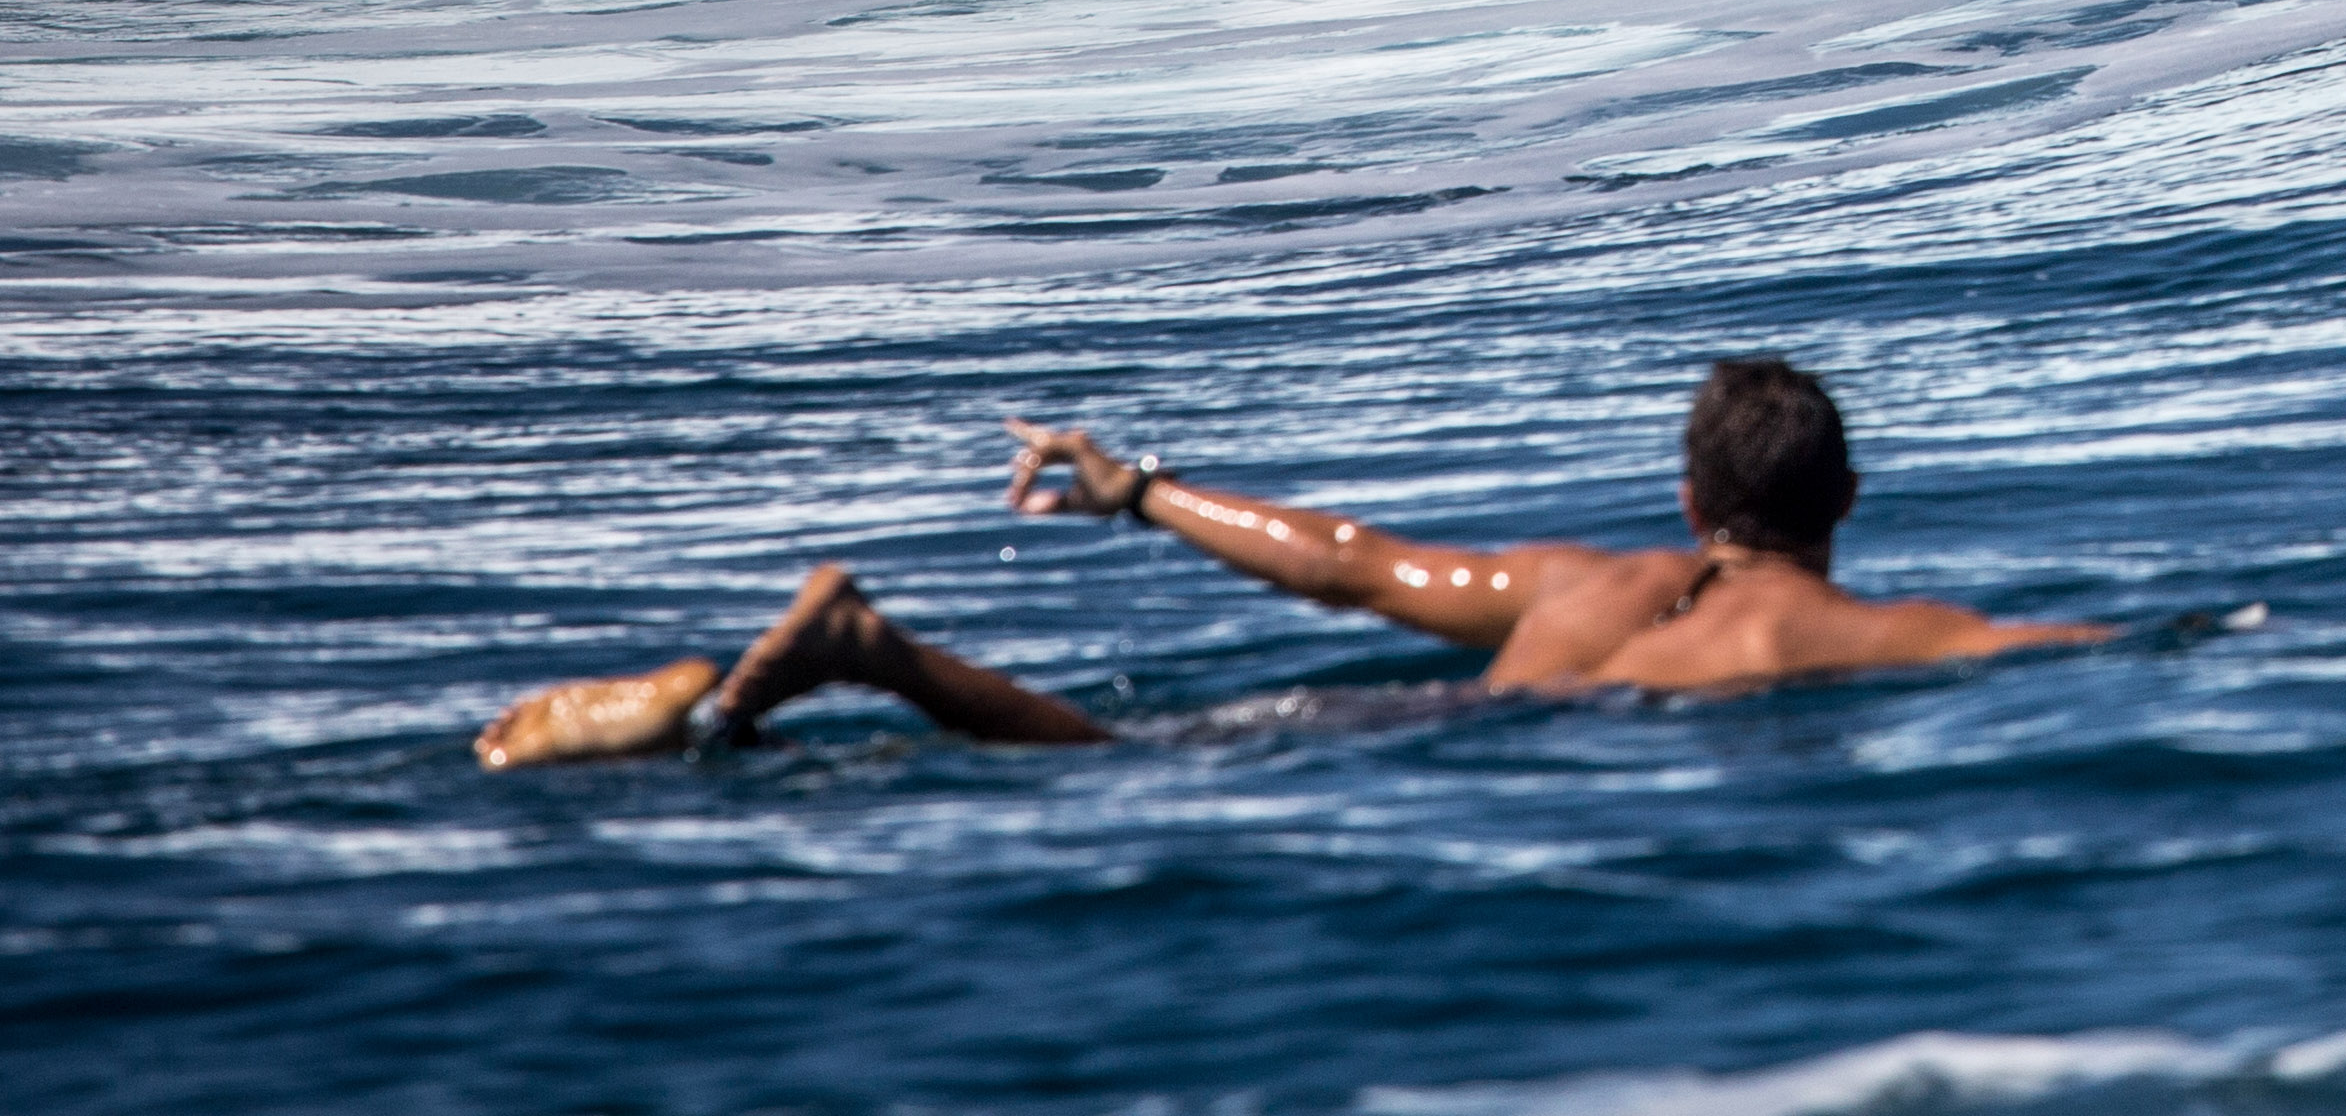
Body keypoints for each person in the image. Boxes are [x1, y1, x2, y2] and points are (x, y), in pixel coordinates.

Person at [472, 355, 2106, 765]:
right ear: (1848, 494)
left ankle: (801, 683)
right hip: (1463, 766)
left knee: (1134, 751)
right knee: (1095, 767)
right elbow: (2022, 651)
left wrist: (1138, 491)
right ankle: (873, 654)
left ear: (1687, 497)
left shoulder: (1568, 584)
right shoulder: (1845, 636)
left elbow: (1346, 562)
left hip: (1398, 723)